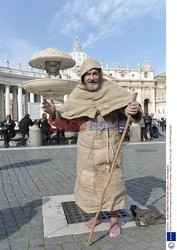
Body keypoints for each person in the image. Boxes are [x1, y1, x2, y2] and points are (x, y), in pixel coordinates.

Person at [42, 58, 142, 237]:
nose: (91, 77)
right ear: (82, 77)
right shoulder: (77, 95)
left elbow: (128, 111)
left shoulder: (112, 90)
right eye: (88, 74)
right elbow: (65, 122)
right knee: (88, 184)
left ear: (100, 75)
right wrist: (53, 113)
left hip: (110, 144)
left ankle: (113, 220)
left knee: (113, 183)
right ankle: (96, 216)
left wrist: (132, 110)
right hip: (87, 147)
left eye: (95, 73)